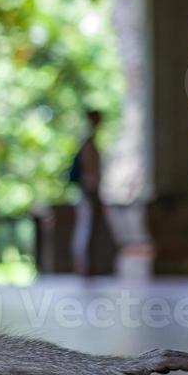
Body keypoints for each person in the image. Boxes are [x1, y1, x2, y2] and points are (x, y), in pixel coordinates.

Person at [70, 110, 112, 277]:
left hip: (90, 191)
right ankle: (83, 266)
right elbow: (89, 171)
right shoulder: (88, 142)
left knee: (88, 228)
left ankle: (88, 265)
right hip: (88, 192)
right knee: (85, 228)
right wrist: (92, 191)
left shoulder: (91, 141)